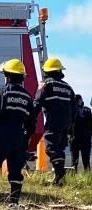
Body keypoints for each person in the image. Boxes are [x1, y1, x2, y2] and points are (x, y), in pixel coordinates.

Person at [0, 59, 35, 209]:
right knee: (15, 170)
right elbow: (32, 122)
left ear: (8, 76)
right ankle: (13, 203)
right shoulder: (27, 97)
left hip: (2, 134)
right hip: (19, 136)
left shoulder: (3, 92)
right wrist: (27, 138)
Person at [34, 57, 75, 185]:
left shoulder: (46, 84)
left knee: (51, 148)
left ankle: (59, 174)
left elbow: (37, 102)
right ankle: (59, 178)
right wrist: (71, 126)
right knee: (59, 149)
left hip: (53, 121)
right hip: (66, 123)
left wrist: (30, 118)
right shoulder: (68, 87)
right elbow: (74, 108)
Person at [69, 95, 92, 171]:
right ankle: (87, 178)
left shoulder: (71, 110)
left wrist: (68, 135)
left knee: (74, 161)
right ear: (80, 100)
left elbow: (68, 124)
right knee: (86, 161)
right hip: (85, 138)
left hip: (74, 138)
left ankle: (72, 178)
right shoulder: (87, 110)